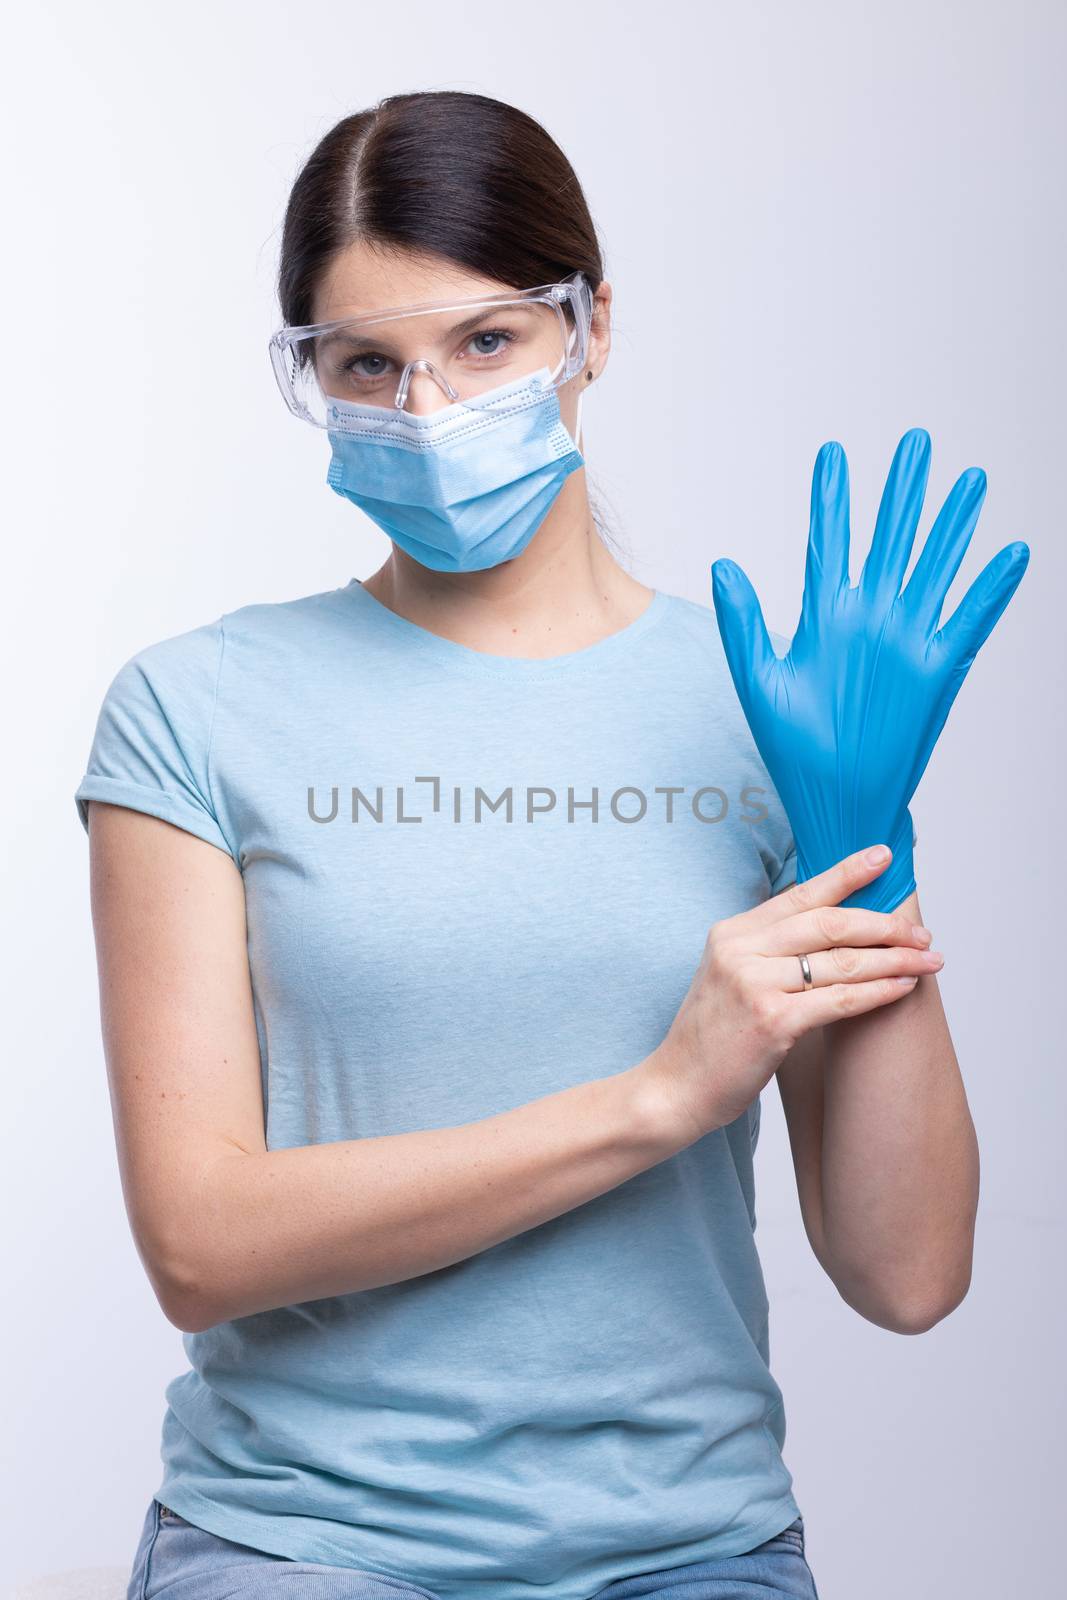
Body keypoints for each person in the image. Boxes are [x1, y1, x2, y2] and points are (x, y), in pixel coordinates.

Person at [75, 89, 1026, 1600]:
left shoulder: (768, 713)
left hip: (690, 1551)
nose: (430, 410)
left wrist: (868, 842)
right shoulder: (198, 711)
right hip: (305, 1544)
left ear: (593, 329)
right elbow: (200, 1240)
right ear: (311, 378)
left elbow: (909, 1275)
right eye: (366, 365)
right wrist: (660, 1096)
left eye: (487, 343)